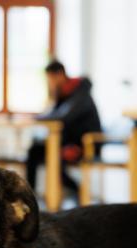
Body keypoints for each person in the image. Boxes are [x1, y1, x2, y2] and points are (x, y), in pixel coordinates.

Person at [26, 60, 102, 197]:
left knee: (54, 158)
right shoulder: (62, 94)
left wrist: (38, 118)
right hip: (66, 141)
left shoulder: (80, 91)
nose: (50, 83)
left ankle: (80, 192)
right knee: (34, 151)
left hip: (85, 144)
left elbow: (63, 116)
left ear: (60, 74)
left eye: (51, 79)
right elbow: (53, 114)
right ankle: (29, 195)